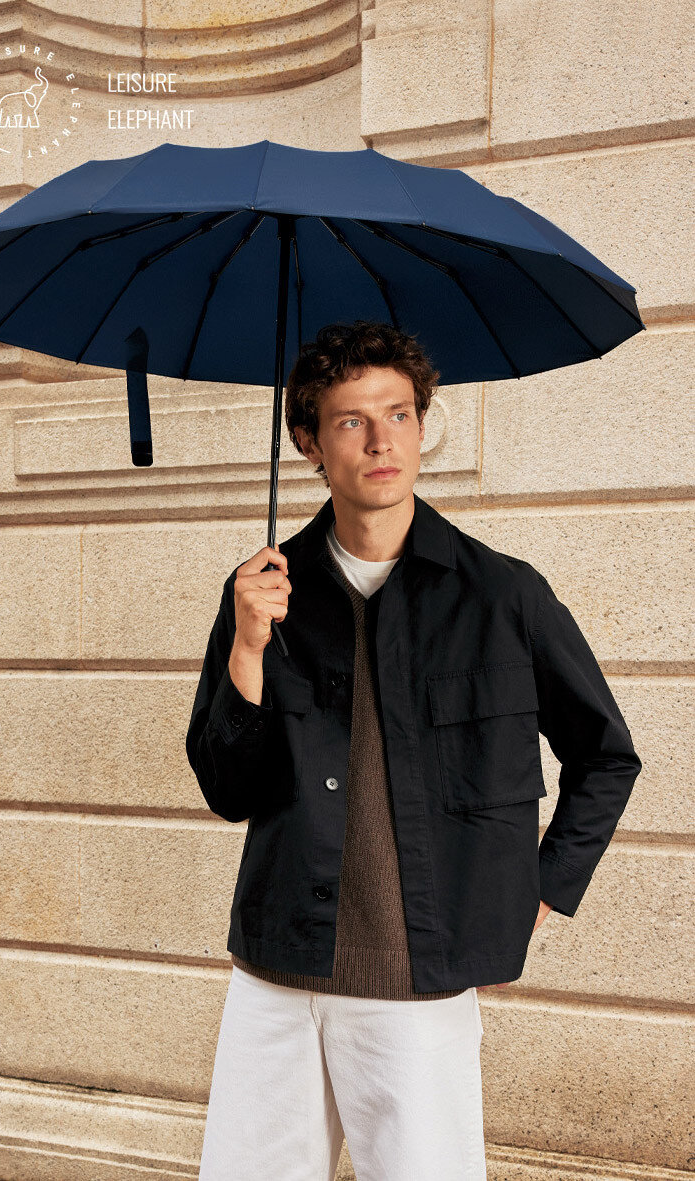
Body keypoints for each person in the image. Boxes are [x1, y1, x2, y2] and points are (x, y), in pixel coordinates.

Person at [186, 320, 642, 1180]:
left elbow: (606, 754)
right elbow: (227, 788)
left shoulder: (503, 594)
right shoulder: (261, 596)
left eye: (398, 413)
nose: (381, 440)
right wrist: (247, 647)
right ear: (308, 441)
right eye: (351, 420)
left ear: (423, 424)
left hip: (418, 987)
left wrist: (542, 888)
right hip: (276, 974)